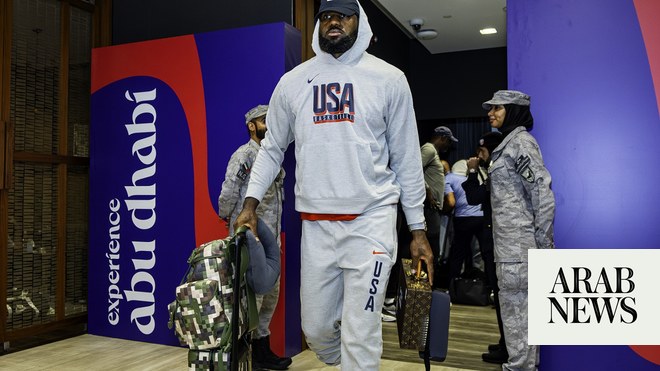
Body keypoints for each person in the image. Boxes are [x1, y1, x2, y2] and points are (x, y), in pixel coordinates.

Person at [233, 0, 435, 369]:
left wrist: (418, 230)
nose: (334, 23)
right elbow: (272, 148)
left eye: (343, 16)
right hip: (316, 226)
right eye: (326, 16)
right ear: (318, 26)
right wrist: (249, 204)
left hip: (370, 221)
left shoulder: (389, 79)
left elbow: (407, 158)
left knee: (361, 331)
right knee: (318, 328)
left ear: (360, 22)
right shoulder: (293, 82)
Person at [481, 90, 555, 370]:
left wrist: (544, 245)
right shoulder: (508, 144)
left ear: (513, 110)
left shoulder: (521, 144)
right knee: (515, 315)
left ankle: (520, 367)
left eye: (497, 108)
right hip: (509, 247)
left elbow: (541, 192)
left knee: (519, 314)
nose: (490, 113)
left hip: (519, 248)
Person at [217, 104, 291, 370]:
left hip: (271, 238)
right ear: (252, 126)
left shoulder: (273, 157)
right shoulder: (245, 156)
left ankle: (261, 353)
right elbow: (229, 191)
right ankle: (240, 355)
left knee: (270, 295)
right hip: (250, 238)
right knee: (250, 297)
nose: (269, 124)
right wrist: (228, 218)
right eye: (264, 120)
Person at [463, 131, 508, 364]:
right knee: (500, 297)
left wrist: (472, 171)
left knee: (503, 298)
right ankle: (505, 342)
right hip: (496, 240)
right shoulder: (494, 170)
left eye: (482, 152)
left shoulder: (498, 171)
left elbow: (474, 197)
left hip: (498, 242)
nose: (478, 157)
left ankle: (507, 347)